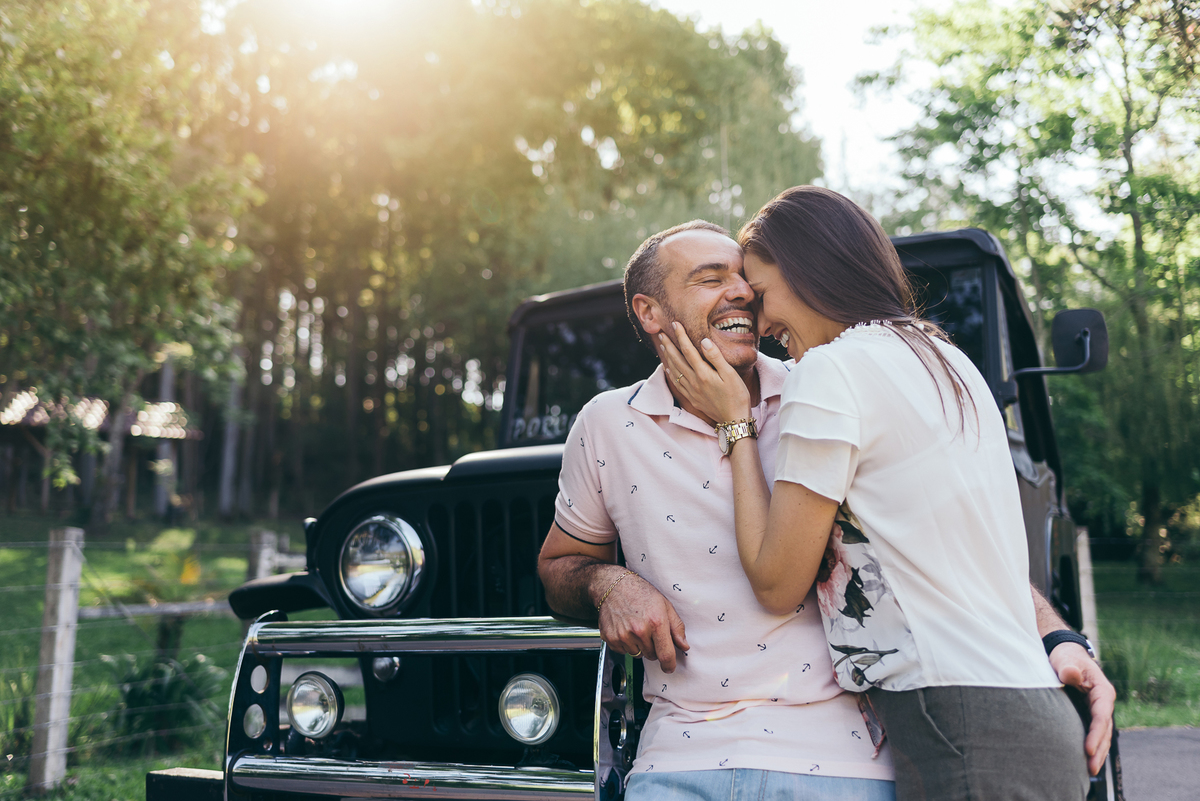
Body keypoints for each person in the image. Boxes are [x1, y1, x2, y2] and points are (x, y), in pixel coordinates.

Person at [658, 186, 1115, 801]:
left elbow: (776, 583)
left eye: (762, 296)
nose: (762, 326)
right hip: (1032, 715)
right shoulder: (946, 362)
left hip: (960, 727)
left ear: (811, 271)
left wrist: (735, 424)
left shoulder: (832, 371)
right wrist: (1061, 634)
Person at [538, 220, 898, 801]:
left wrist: (1055, 636)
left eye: (744, 277)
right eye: (711, 279)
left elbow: (941, 535)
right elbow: (559, 566)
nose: (743, 292)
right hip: (677, 756)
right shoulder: (605, 423)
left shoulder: (824, 394)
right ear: (650, 312)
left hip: (843, 758)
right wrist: (608, 583)